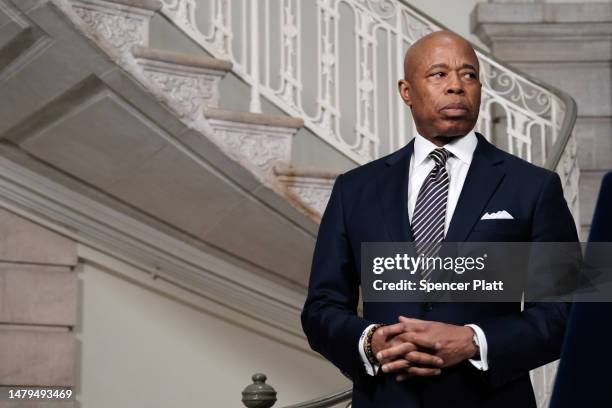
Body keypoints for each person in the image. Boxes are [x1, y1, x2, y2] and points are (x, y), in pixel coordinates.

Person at [301, 30, 578, 407]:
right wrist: (370, 341)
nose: (456, 87)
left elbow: (566, 311)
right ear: (406, 90)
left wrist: (474, 341)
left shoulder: (534, 186)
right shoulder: (355, 189)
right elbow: (321, 308)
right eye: (438, 74)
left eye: (469, 75)